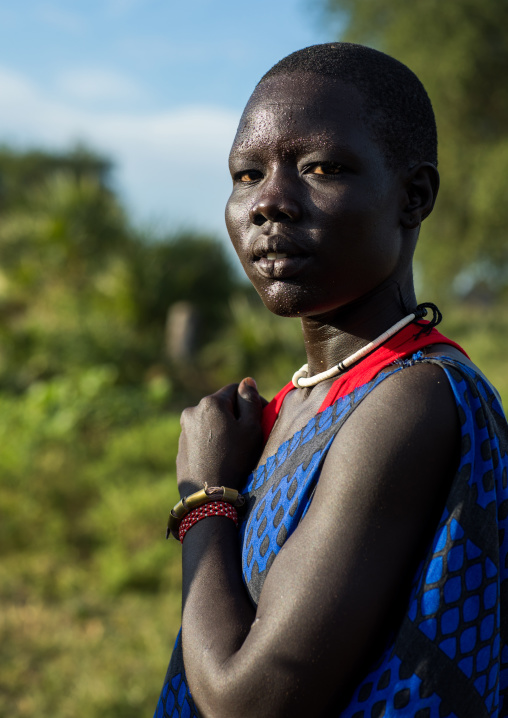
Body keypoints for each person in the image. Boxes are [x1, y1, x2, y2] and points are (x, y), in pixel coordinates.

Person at [154, 43, 508, 717]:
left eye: (321, 167)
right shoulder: (300, 403)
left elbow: (248, 701)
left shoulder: (411, 400)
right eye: (247, 174)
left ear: (413, 197)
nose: (269, 203)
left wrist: (204, 499)